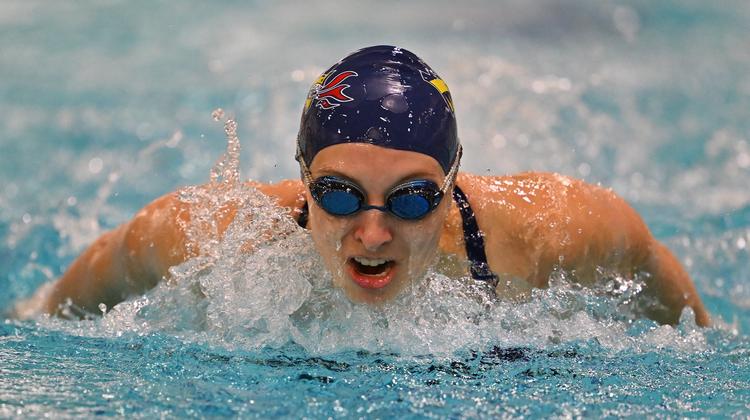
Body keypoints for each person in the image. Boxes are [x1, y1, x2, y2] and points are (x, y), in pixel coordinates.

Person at [14, 45, 710, 326]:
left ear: (451, 184)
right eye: (340, 194)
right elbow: (108, 263)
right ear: (303, 179)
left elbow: (645, 258)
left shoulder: (540, 231)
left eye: (412, 198)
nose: (372, 234)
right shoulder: (217, 238)